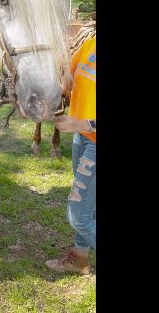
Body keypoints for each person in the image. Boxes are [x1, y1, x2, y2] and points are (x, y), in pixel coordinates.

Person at [45, 30, 96, 275]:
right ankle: (80, 258)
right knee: (89, 207)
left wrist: (84, 124)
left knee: (79, 216)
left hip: (92, 140)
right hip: (82, 140)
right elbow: (66, 84)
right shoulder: (90, 44)